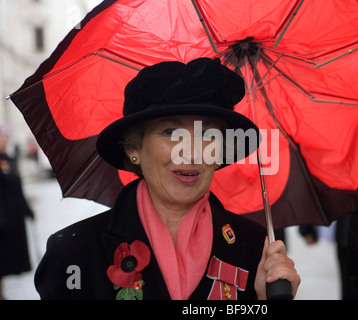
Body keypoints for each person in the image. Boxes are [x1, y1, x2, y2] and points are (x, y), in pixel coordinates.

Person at [34, 58, 300, 300]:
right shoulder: (72, 253)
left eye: (207, 134)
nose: (192, 151)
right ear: (133, 148)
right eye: (171, 131)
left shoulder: (256, 249)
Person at [0, 125, 34, 300]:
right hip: (2, 218)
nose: (4, 140)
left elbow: (17, 186)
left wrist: (27, 209)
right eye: (1, 137)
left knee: (9, 259)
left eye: (5, 137)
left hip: (13, 217)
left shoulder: (9, 158)